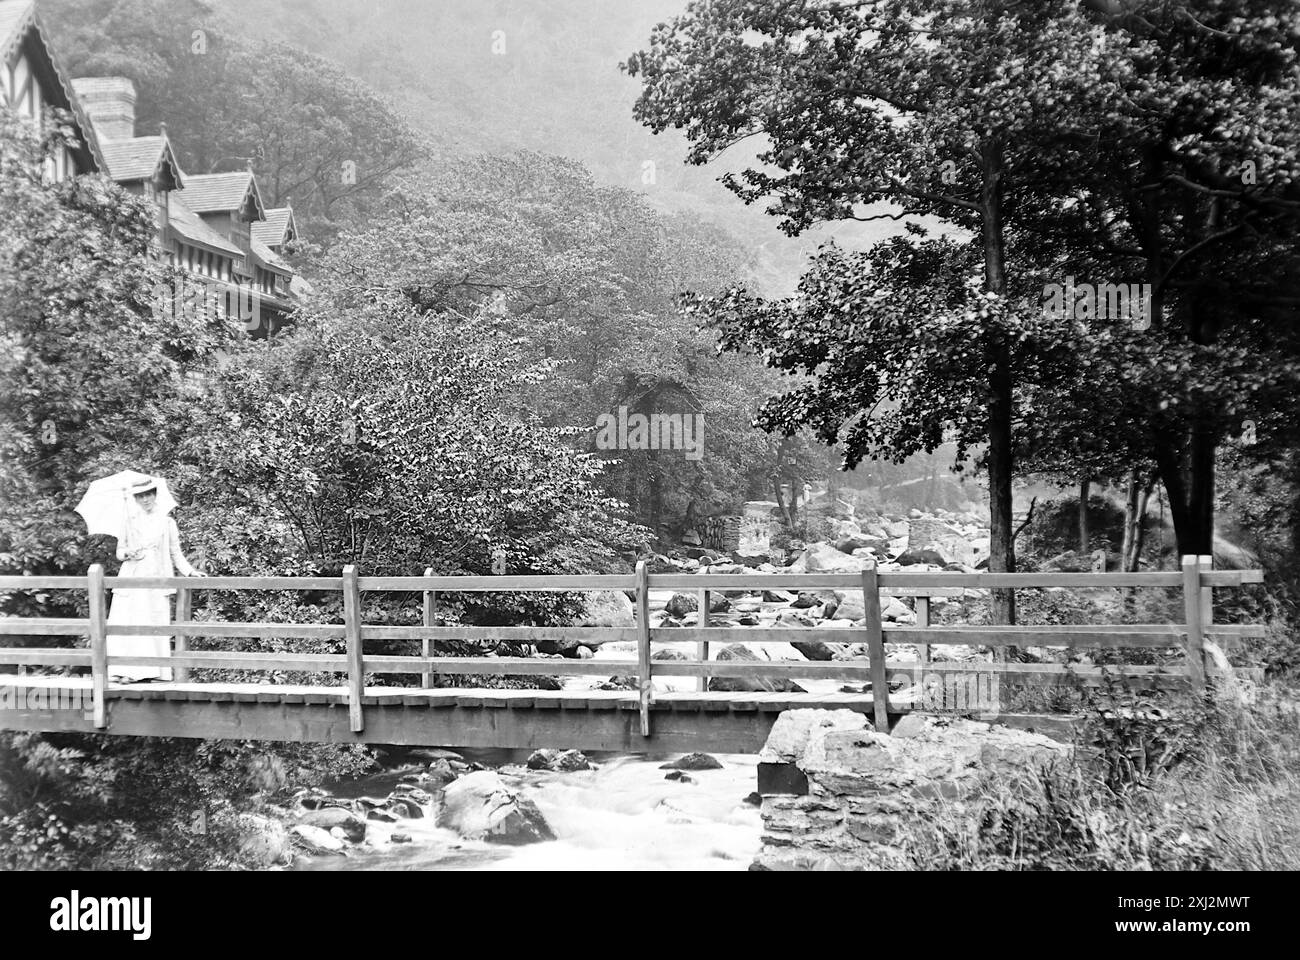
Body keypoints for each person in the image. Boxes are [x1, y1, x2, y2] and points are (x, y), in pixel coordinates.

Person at [107, 479, 206, 683]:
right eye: (140, 496)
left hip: (156, 577)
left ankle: (151, 672)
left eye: (148, 495)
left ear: (155, 495)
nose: (145, 500)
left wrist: (189, 572)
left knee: (151, 622)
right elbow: (119, 552)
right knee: (130, 622)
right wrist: (128, 553)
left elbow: (175, 553)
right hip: (132, 577)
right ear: (135, 499)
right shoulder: (129, 521)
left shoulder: (167, 522)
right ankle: (126, 670)